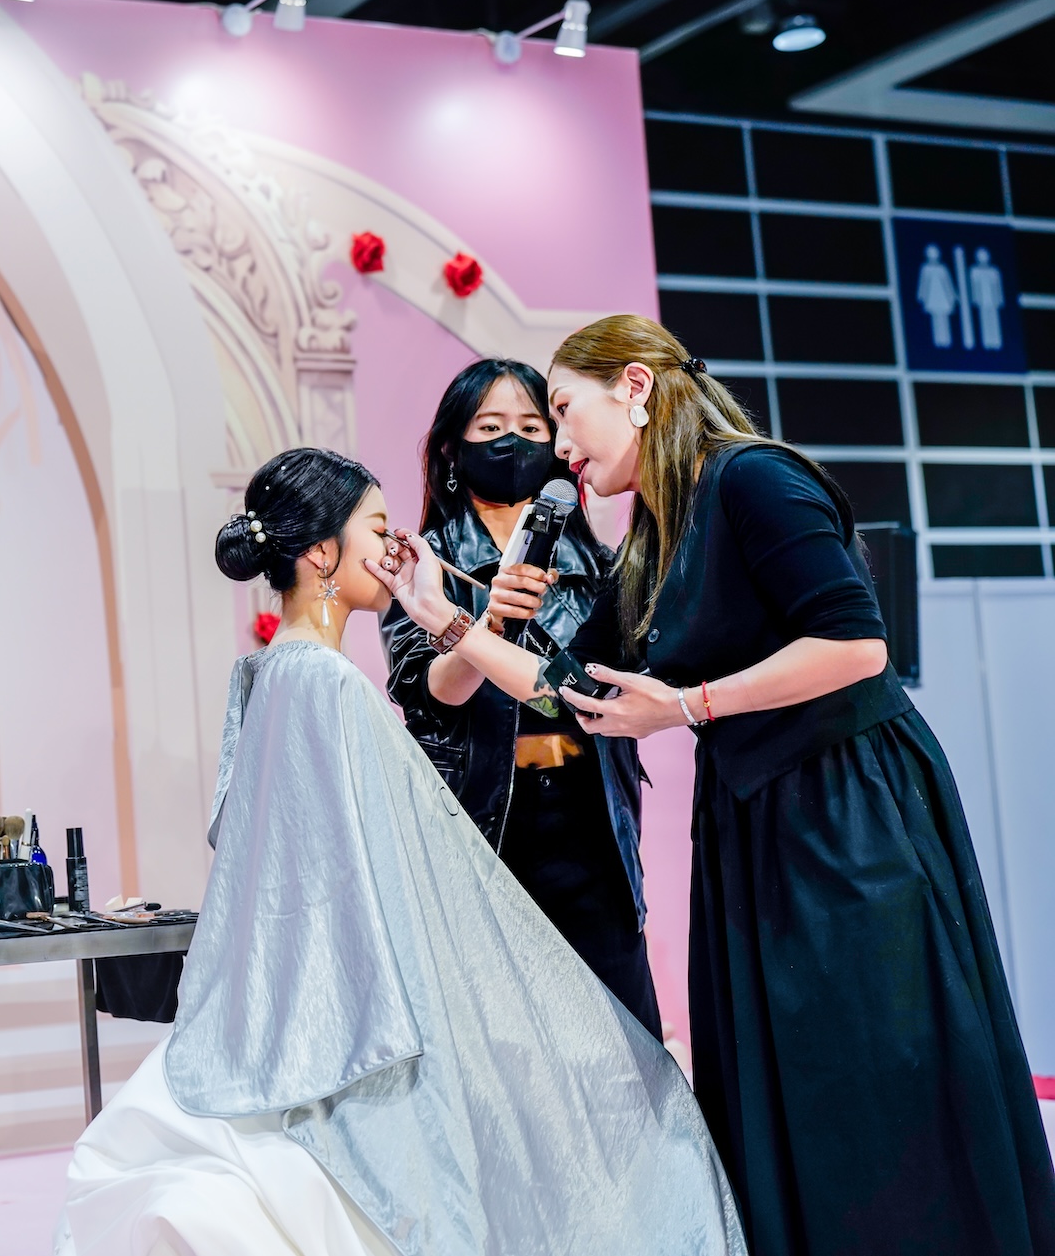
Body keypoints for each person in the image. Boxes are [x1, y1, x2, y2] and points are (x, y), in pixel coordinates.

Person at [382, 314, 1055, 1256]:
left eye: (562, 411)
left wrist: (691, 704)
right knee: (782, 1083)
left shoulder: (753, 478)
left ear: (636, 389)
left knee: (874, 1068)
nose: (557, 445)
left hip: (847, 811)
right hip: (750, 821)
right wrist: (447, 622)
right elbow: (571, 688)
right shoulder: (653, 535)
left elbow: (857, 646)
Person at [55, 448, 745, 1256]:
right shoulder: (328, 683)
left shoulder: (272, 673)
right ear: (322, 553)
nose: (394, 545)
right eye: (377, 528)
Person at [380, 358, 660, 1037]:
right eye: (491, 427)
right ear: (454, 448)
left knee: (620, 1036)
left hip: (592, 821)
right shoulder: (425, 559)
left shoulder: (600, 562)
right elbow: (432, 694)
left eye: (533, 427)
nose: (513, 441)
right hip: (484, 822)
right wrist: (490, 622)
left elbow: (589, 688)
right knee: (503, 1041)